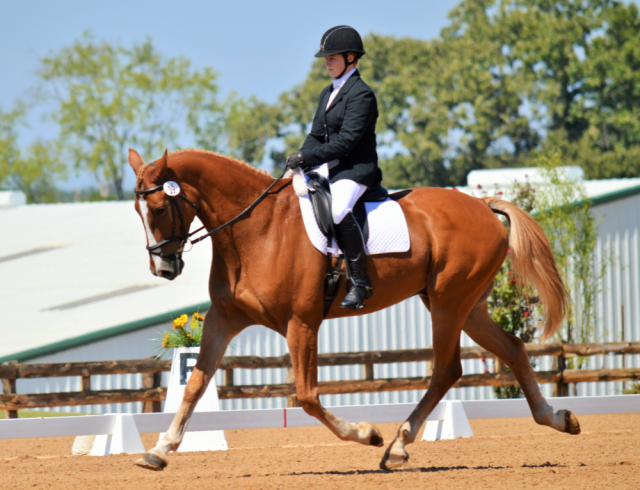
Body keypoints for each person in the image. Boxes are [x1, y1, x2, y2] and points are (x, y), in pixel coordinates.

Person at [286, 25, 381, 310]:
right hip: (330, 167)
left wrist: (308, 160)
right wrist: (300, 158)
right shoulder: (328, 92)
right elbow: (316, 135)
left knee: (339, 209)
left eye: (332, 58)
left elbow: (347, 141)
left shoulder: (362, 94)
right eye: (325, 59)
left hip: (355, 169)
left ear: (351, 58)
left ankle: (360, 283)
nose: (326, 63)